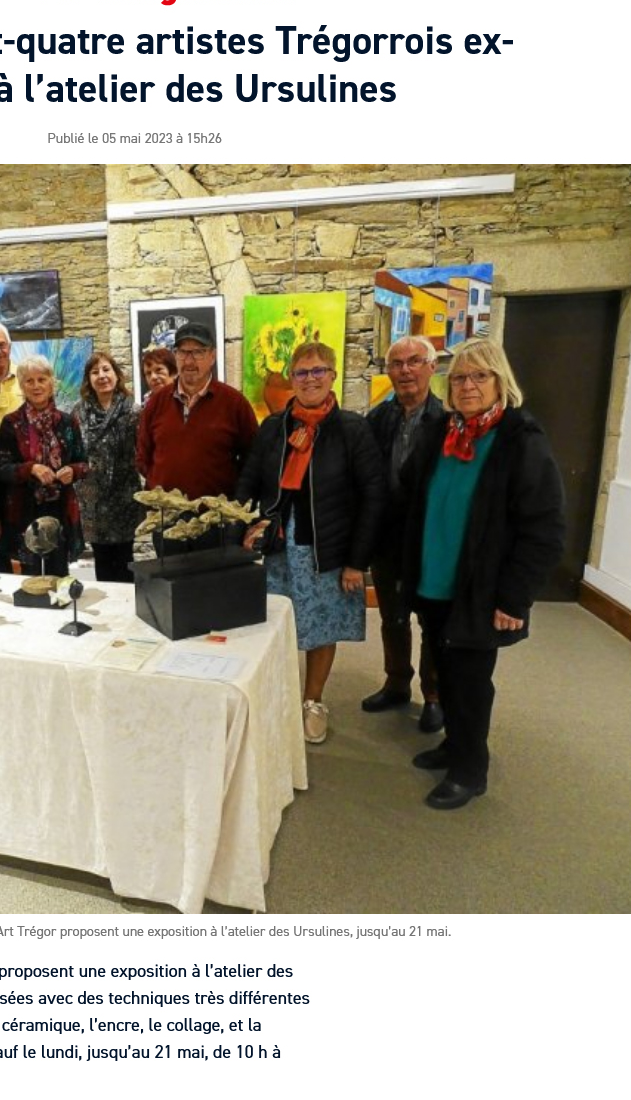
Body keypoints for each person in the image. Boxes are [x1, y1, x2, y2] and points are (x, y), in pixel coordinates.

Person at [401, 338, 564, 810]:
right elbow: (413, 495)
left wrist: (515, 597)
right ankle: (454, 744)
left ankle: (471, 770)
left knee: (470, 683)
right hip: (434, 580)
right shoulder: (442, 432)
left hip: (479, 589)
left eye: (479, 376)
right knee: (444, 672)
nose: (467, 386)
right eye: (458, 378)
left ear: (499, 381)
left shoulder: (520, 439)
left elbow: (545, 528)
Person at [237, 341, 384, 746]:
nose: (310, 379)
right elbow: (248, 480)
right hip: (277, 547)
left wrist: (357, 562)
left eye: (318, 371)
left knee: (321, 627)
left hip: (327, 549)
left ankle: (312, 701)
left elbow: (373, 497)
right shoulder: (273, 427)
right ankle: (276, 698)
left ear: (332, 375)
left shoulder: (353, 429)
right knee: (273, 626)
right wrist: (242, 525)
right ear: (292, 379)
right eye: (301, 372)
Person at [362, 335, 447, 731]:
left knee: (432, 621)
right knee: (393, 617)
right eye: (397, 363)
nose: (405, 370)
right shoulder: (376, 420)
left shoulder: (448, 422)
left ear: (432, 367)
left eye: (414, 361)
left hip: (430, 541)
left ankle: (434, 695)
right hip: (388, 538)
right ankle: (397, 682)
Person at [137, 322, 257, 501]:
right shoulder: (156, 403)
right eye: (183, 352)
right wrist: (161, 483)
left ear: (212, 356)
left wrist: (235, 498)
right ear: (175, 356)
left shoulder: (234, 403)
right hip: (164, 512)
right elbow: (143, 457)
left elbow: (253, 459)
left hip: (215, 513)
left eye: (198, 352)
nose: (189, 361)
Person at [0, 355, 88, 577]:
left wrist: (73, 471)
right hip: (25, 512)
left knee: (59, 576)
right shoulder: (11, 423)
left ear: (51, 383)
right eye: (29, 381)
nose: (36, 386)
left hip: (60, 509)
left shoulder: (68, 422)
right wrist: (30, 469)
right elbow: (1, 469)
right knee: (31, 579)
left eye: (41, 379)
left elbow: (84, 463)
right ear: (21, 386)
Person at [72, 352, 141, 582]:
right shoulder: (78, 412)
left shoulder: (133, 410)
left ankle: (127, 601)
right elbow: (74, 452)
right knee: (101, 559)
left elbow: (143, 450)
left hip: (124, 496)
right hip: (93, 498)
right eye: (95, 372)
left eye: (106, 369)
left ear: (116, 374)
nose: (102, 376)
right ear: (88, 380)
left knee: (125, 558)